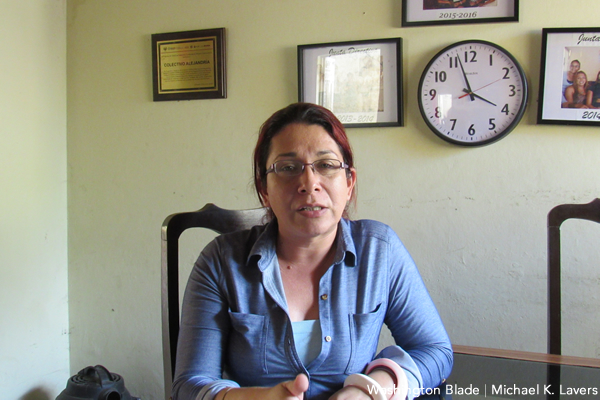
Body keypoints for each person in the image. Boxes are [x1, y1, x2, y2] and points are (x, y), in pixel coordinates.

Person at [172, 102, 453, 400]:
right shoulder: (220, 262)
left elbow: (435, 351)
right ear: (264, 188)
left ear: (349, 182)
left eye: (327, 165)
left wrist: (370, 390)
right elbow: (190, 383)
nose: (309, 183)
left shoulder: (379, 251)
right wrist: (256, 398)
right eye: (288, 168)